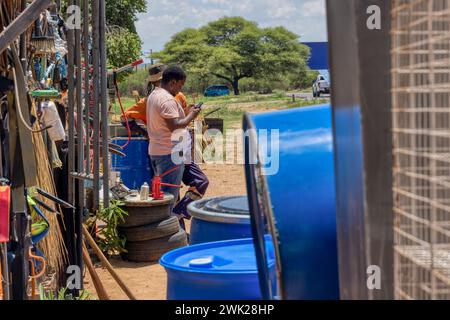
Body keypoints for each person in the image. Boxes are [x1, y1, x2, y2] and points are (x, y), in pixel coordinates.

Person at [147, 65, 202, 226]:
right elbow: (175, 126)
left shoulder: (154, 95)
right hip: (170, 153)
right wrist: (192, 115)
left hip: (160, 151)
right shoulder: (167, 99)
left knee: (168, 196)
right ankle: (165, 234)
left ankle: (175, 231)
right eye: (180, 85)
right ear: (172, 82)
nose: (180, 89)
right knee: (168, 198)